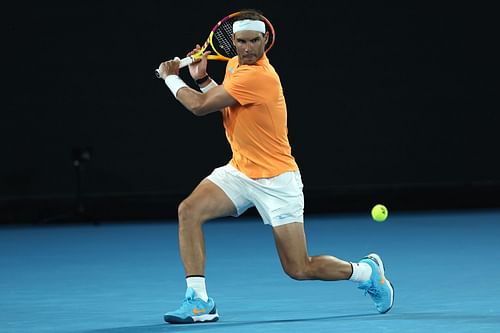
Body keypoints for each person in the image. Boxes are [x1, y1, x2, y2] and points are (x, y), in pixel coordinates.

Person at [156, 9, 394, 324]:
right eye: (241, 41)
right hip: (240, 171)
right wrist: (201, 77)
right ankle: (199, 301)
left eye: (254, 41)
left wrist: (172, 76)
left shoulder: (260, 76)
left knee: (299, 268)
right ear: (233, 42)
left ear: (266, 40)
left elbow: (200, 107)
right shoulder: (232, 66)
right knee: (189, 211)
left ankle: (366, 272)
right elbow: (221, 101)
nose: (247, 48)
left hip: (277, 180)